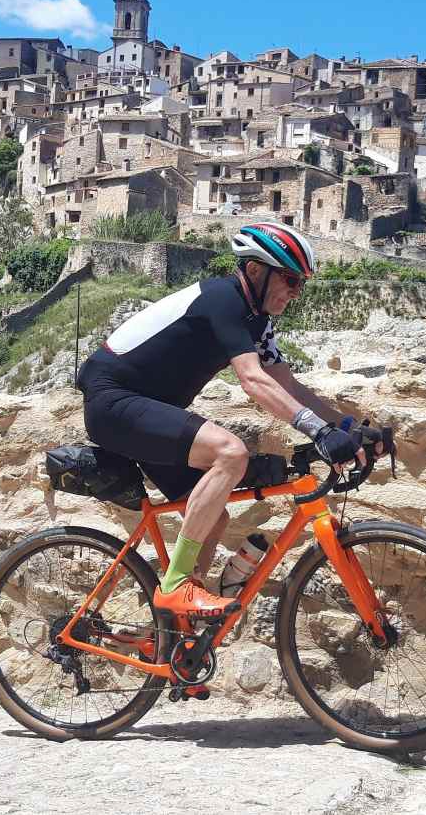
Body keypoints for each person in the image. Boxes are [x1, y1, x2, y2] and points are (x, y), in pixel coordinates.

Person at [76, 221, 377, 620]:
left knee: (213, 515)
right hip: (113, 401)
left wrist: (347, 427)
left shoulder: (257, 321)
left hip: (148, 409)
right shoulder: (223, 299)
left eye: (301, 284)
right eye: (290, 280)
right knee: (230, 453)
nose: (295, 292)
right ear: (255, 270)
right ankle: (176, 586)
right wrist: (318, 431)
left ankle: (178, 630)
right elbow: (252, 380)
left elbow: (288, 385)